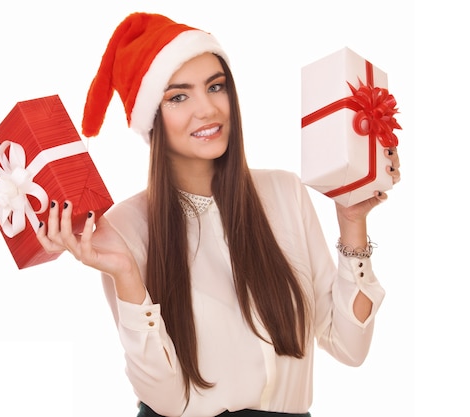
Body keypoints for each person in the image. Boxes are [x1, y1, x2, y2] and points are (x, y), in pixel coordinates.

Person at [36, 12, 401, 417]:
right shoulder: (124, 227)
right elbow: (167, 400)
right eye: (178, 96)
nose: (207, 109)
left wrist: (353, 224)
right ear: (152, 117)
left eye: (216, 87)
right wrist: (125, 273)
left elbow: (350, 347)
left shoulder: (284, 192)